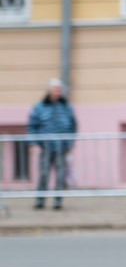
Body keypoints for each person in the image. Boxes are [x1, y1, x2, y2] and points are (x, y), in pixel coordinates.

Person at [27, 78, 77, 210]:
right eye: (55, 90)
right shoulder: (40, 106)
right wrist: (32, 142)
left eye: (59, 90)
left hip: (61, 147)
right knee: (44, 174)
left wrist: (70, 143)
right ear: (49, 91)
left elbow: (73, 125)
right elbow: (32, 125)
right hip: (46, 147)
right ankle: (40, 200)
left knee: (60, 175)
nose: (57, 93)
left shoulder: (66, 106)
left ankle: (58, 201)